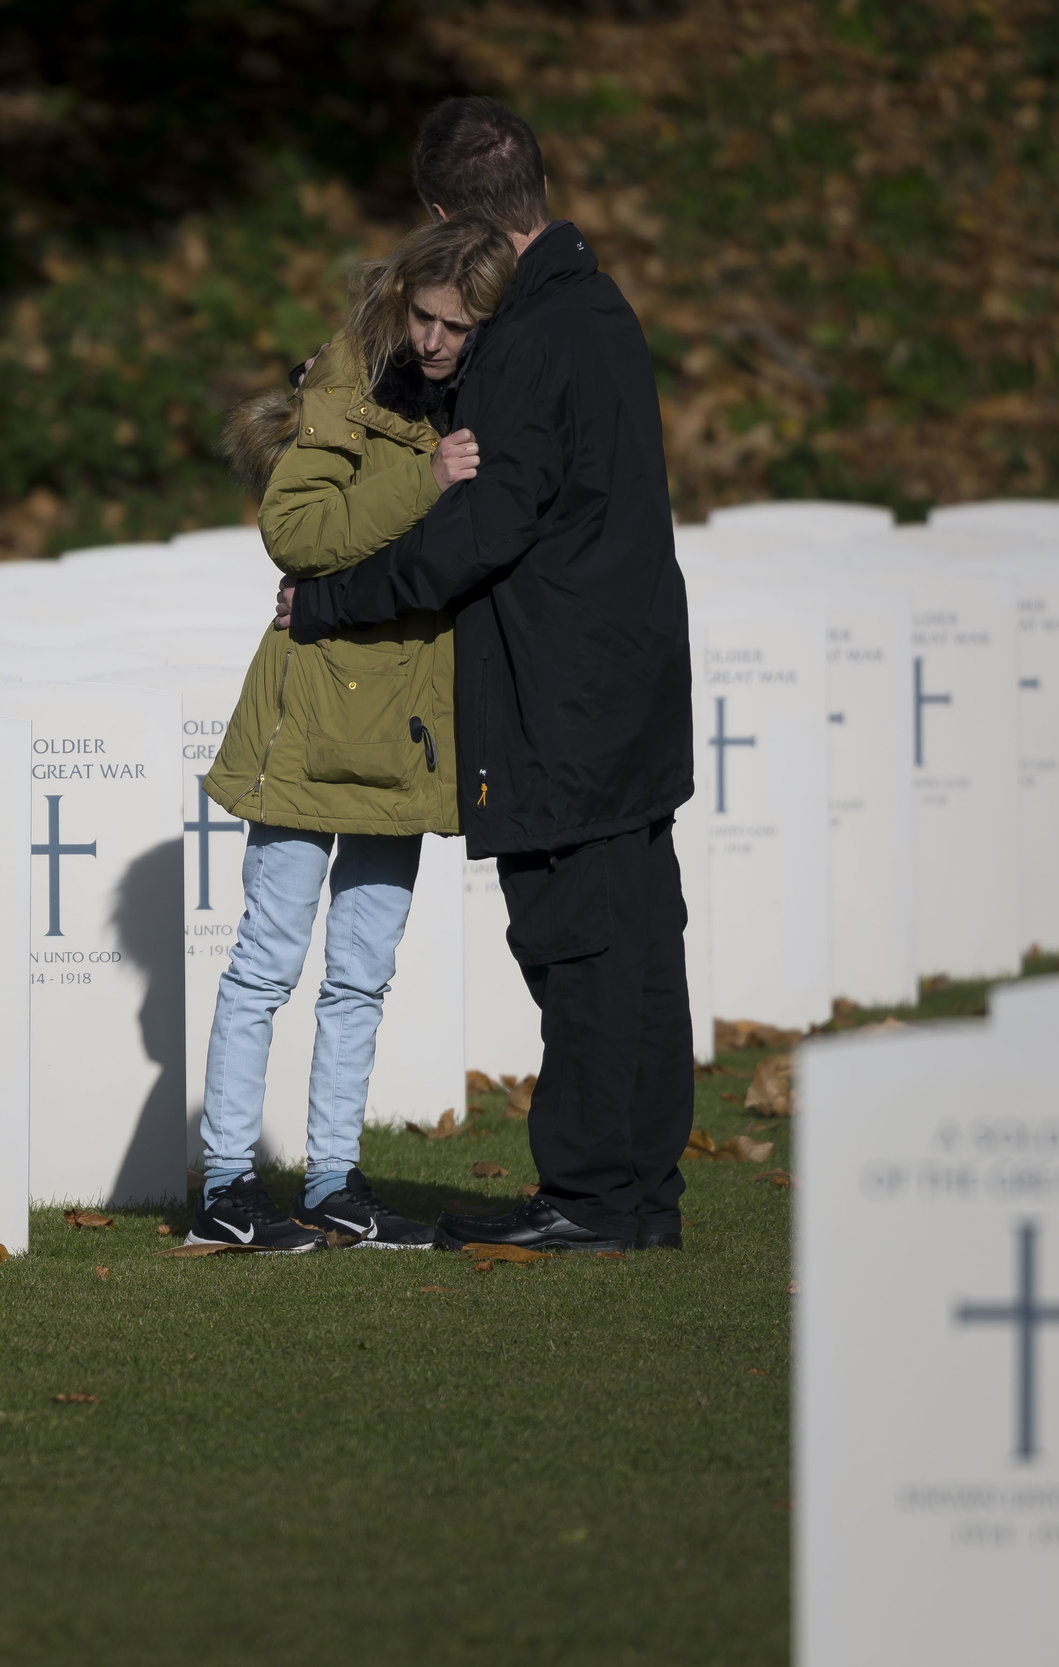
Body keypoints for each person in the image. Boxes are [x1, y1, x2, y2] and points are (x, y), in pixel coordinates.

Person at [283, 96, 694, 1254]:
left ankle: (594, 1197)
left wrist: (330, 599)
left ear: (440, 217)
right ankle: (632, 1193)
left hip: (558, 698)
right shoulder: (593, 305)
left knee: (580, 951)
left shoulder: (530, 338)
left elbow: (483, 530)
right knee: (635, 947)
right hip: (624, 684)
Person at [181, 216, 511, 1253]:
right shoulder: (347, 381)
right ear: (398, 298)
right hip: (313, 702)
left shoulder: (492, 392)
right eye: (423, 316)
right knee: (265, 961)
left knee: (363, 969)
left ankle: (333, 1180)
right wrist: (425, 477)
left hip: (406, 719)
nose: (435, 342)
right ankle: (226, 1184)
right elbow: (296, 532)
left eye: (459, 326)